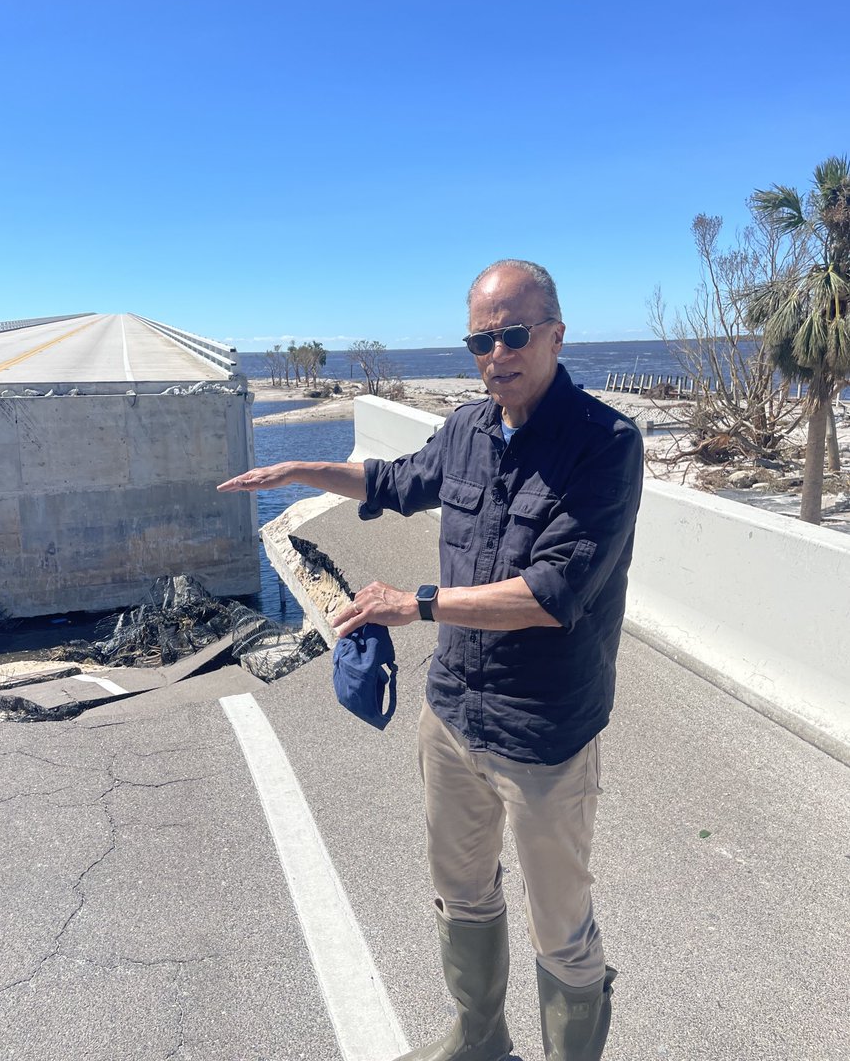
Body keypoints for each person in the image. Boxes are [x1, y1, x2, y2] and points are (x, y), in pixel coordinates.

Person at [218, 259, 643, 1061]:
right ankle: (480, 1037)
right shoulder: (468, 429)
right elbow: (396, 479)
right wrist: (299, 469)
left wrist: (411, 604)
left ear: (555, 333)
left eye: (514, 334)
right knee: (461, 893)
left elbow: (556, 593)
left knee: (563, 930)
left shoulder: (606, 445)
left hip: (545, 732)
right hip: (452, 714)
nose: (497, 353)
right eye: (481, 338)